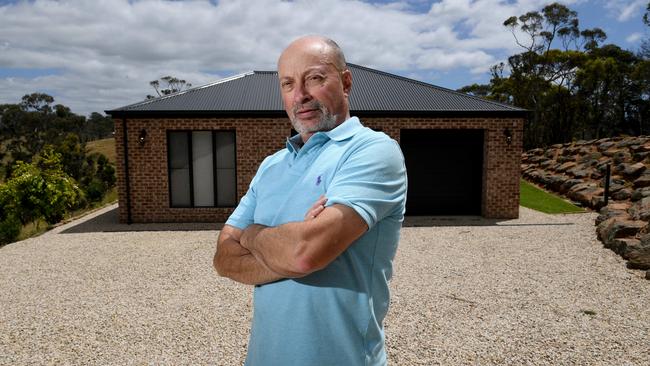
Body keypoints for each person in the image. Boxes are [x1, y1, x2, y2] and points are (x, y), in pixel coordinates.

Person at [213, 35, 407, 366]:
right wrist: (285, 245)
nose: (300, 95)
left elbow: (303, 255)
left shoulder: (373, 151)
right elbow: (223, 259)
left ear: (346, 82)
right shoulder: (271, 165)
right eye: (288, 84)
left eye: (314, 78)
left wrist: (252, 235)